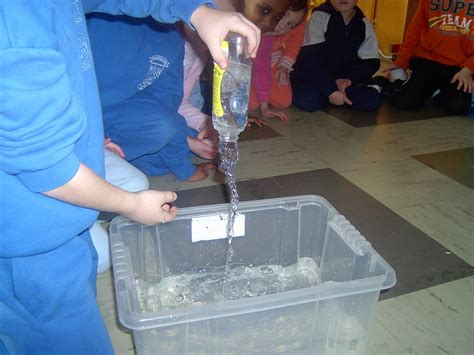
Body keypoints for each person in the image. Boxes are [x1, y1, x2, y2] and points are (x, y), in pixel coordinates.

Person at [0, 0, 260, 353]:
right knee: (61, 332)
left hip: (56, 216)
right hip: (26, 234)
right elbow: (47, 166)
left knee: (82, 273)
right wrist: (131, 205)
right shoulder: (15, 21)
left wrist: (198, 11)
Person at [87, 15, 217, 182]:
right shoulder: (102, 22)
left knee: (174, 137)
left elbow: (169, 105)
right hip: (80, 119)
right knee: (165, 132)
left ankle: (120, 158)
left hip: (122, 119)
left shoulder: (173, 41)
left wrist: (182, 163)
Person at [291, 0, 382, 112]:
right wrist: (330, 90)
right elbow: (310, 59)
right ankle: (332, 95)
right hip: (316, 76)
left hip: (345, 79)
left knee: (370, 101)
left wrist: (348, 78)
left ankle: (339, 95)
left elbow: (371, 61)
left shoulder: (363, 23)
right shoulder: (319, 17)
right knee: (309, 101)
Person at [385, 0, 473, 115]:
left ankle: (435, 92)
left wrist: (469, 69)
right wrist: (401, 61)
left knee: (459, 106)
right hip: (428, 60)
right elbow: (415, 30)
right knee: (405, 102)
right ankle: (396, 82)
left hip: (461, 68)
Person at [249, 0, 308, 123]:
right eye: (283, 16)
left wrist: (284, 66)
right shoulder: (263, 27)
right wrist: (264, 105)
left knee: (284, 101)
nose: (282, 26)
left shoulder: (297, 18)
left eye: (290, 25)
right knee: (252, 103)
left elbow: (295, 40)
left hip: (270, 59)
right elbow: (261, 67)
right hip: (246, 62)